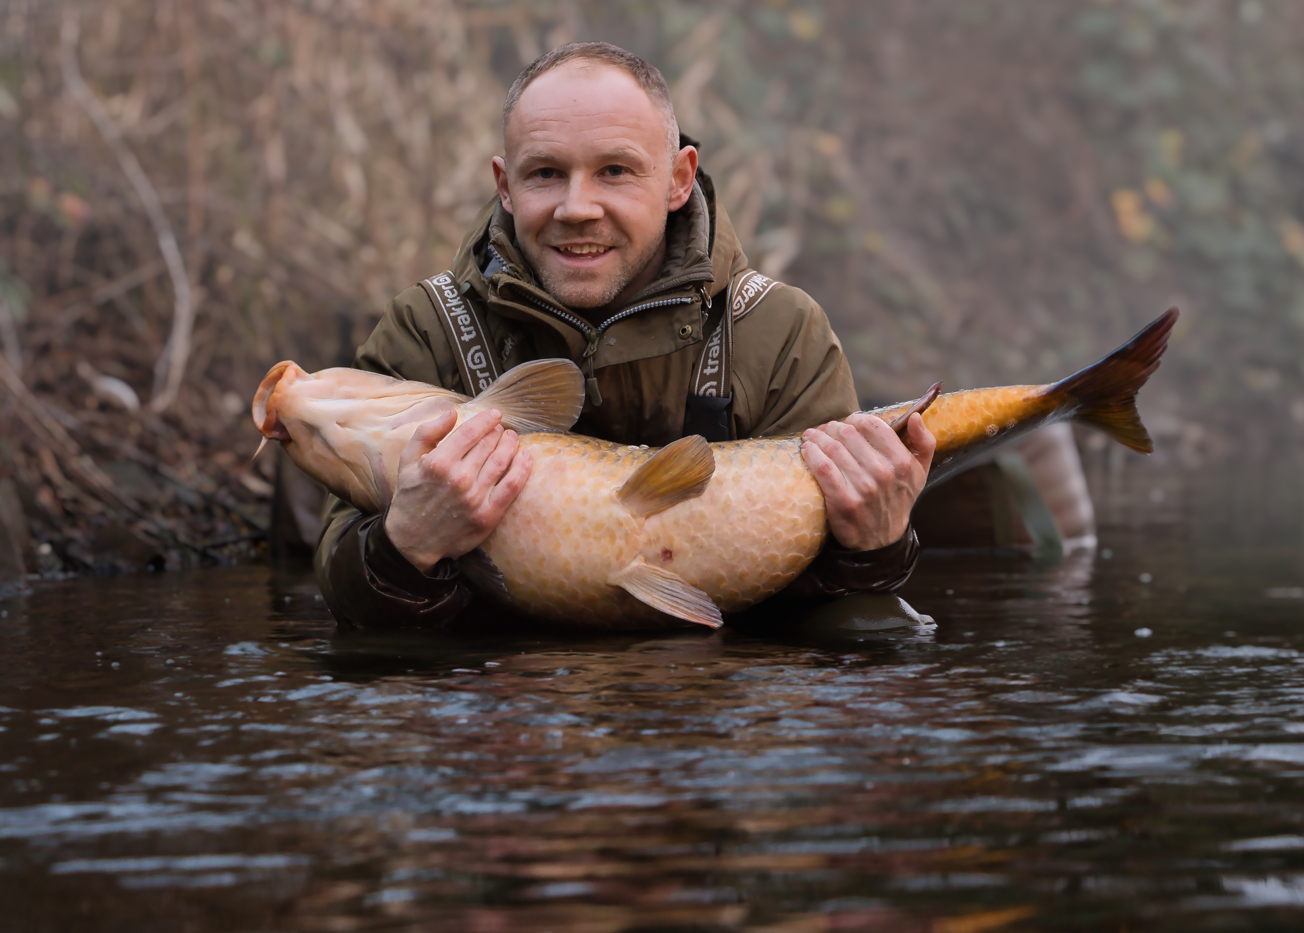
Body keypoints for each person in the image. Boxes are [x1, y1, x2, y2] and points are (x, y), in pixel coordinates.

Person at [317, 42, 936, 630]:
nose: (577, 207)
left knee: (875, 629)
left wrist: (876, 550)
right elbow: (339, 581)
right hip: (499, 714)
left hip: (708, 707)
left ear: (678, 178)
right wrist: (405, 548)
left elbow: (811, 606)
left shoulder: (779, 330)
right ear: (505, 185)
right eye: (546, 174)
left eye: (615, 171)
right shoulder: (426, 326)